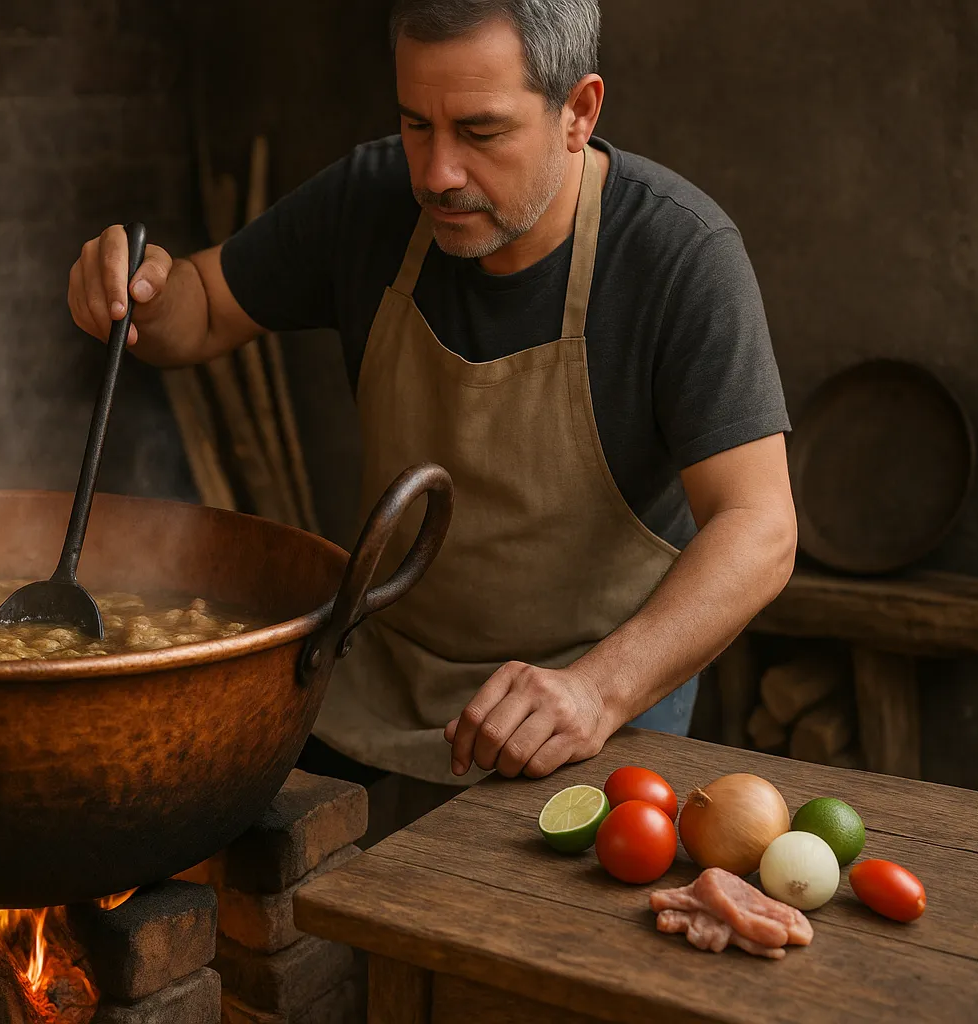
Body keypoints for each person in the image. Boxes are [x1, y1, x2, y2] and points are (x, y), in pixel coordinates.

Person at [65, 0, 797, 836]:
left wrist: (598, 691)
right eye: (417, 124)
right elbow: (201, 309)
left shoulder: (680, 256)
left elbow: (761, 527)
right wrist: (141, 293)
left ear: (578, 112)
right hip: (382, 676)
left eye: (481, 132)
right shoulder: (370, 198)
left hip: (594, 701)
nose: (438, 173)